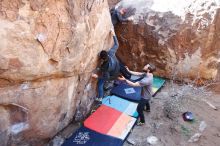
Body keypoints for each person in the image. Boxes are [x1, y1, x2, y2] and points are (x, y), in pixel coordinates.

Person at [92, 29, 131, 101]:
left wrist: (96, 76)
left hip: (112, 74)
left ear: (102, 59)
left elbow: (105, 76)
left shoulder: (105, 67)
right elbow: (117, 44)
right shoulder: (111, 52)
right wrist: (113, 34)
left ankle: (100, 98)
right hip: (117, 67)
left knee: (100, 84)